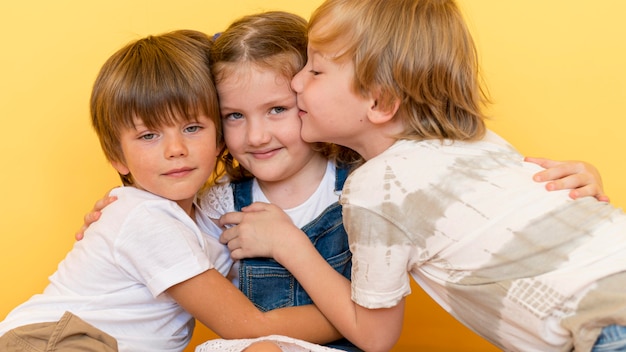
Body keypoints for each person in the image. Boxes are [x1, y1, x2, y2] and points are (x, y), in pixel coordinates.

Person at [218, 1, 626, 351]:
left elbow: (375, 337)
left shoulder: (375, 189)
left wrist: (291, 244)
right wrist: (588, 178)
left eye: (315, 71)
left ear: (379, 101)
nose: (297, 81)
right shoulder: (481, 140)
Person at [0, 30, 342, 352]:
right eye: (149, 135)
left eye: (192, 127)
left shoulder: (208, 220)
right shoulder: (145, 218)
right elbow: (248, 326)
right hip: (57, 341)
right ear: (117, 156)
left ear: (220, 137)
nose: (175, 149)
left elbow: (243, 68)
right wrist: (351, 318)